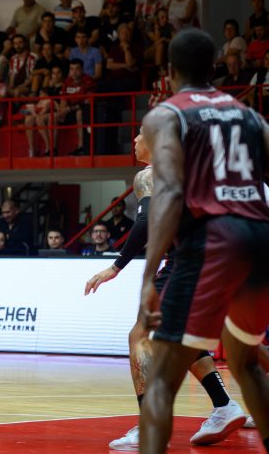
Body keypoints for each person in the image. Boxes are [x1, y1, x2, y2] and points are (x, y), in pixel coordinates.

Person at [137, 29, 269, 453]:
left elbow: (169, 191)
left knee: (161, 378)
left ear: (170, 71)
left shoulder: (166, 115)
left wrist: (149, 275)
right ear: (214, 67)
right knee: (247, 364)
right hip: (259, 240)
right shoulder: (251, 116)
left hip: (212, 240)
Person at [85, 129, 247, 450]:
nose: (133, 141)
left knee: (139, 336)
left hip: (187, 262)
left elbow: (146, 222)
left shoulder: (149, 175)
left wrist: (115, 266)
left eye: (139, 135)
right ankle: (224, 406)